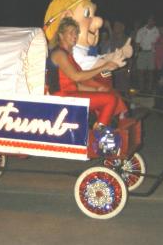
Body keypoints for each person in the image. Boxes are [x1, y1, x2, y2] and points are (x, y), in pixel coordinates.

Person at [48, 18, 124, 149]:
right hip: (62, 97)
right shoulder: (59, 54)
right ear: (61, 35)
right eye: (71, 32)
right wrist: (103, 67)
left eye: (76, 33)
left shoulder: (68, 54)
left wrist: (96, 89)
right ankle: (98, 138)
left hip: (70, 93)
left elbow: (75, 84)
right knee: (109, 100)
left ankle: (102, 127)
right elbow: (77, 77)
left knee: (107, 94)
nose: (75, 36)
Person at [135, 16, 160, 92]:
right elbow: (137, 43)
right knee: (140, 71)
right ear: (147, 21)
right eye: (149, 20)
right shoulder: (141, 30)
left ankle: (149, 89)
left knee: (150, 72)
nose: (151, 22)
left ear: (154, 22)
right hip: (142, 52)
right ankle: (141, 89)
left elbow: (159, 42)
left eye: (152, 20)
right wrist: (136, 53)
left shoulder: (157, 31)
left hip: (151, 53)